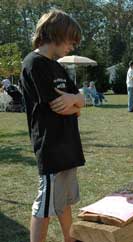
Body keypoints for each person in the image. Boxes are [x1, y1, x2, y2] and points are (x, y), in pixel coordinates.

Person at [20, 9, 85, 242]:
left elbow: (80, 99)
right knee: (44, 205)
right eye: (71, 40)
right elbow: (59, 107)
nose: (73, 46)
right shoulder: (33, 64)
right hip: (51, 148)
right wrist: (74, 104)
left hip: (68, 146)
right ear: (56, 34)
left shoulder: (58, 66)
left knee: (64, 201)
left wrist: (74, 102)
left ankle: (71, 239)